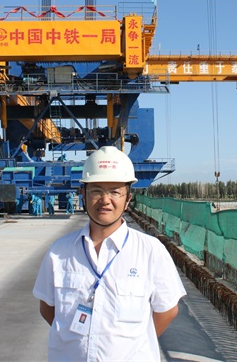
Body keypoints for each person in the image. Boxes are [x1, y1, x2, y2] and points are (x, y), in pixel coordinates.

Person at [33, 146, 186, 362]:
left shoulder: (151, 251)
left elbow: (167, 311)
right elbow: (47, 308)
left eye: (115, 191)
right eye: (96, 191)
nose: (105, 200)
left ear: (128, 198)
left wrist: (131, 347)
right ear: (83, 194)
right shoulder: (59, 252)